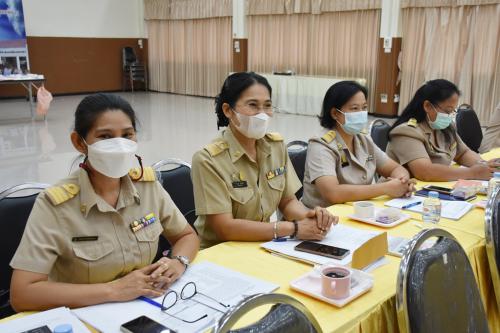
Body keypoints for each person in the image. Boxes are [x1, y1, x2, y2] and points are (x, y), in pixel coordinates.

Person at [10, 93, 199, 311]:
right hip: (85, 313)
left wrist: (178, 262)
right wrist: (114, 290)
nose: (119, 145)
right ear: (79, 143)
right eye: (105, 137)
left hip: (149, 304)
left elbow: (185, 235)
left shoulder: (147, 186)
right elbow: (23, 293)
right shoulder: (56, 205)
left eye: (127, 135)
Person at [191, 72, 338, 250]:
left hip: (262, 243)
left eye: (267, 106)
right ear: (228, 110)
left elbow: (287, 201)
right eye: (253, 105)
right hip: (220, 252)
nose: (262, 114)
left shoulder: (275, 146)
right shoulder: (208, 159)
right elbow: (225, 228)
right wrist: (293, 228)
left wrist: (309, 217)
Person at [302, 81, 415, 208]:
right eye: (354, 108)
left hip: (358, 212)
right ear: (335, 113)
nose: (361, 113)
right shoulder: (321, 145)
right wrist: (385, 188)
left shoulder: (363, 139)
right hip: (323, 218)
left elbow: (395, 169)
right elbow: (332, 193)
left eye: (364, 107)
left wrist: (402, 182)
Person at [386, 79, 499, 181]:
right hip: (401, 195)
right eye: (447, 110)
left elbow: (463, 153)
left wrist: (483, 165)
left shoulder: (446, 127)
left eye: (452, 111)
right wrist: (472, 173)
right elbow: (425, 172)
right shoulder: (406, 132)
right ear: (427, 106)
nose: (449, 116)